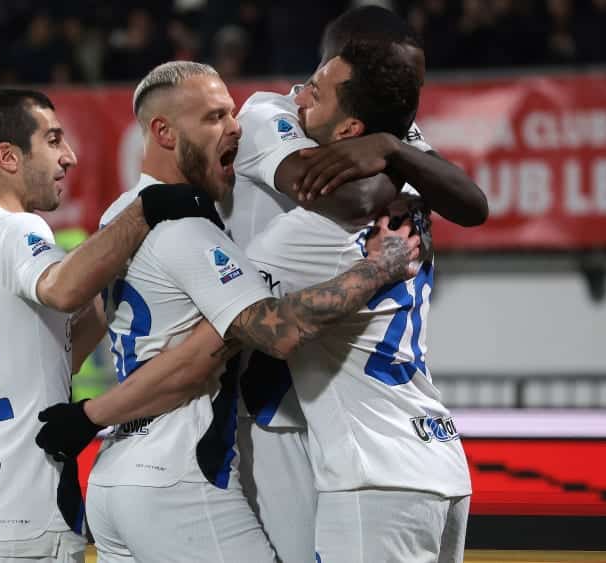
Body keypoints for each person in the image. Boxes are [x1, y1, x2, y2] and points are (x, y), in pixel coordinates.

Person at [38, 61, 421, 563]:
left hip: (116, 476)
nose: (236, 128)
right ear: (164, 132)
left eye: (233, 114)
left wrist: (88, 416)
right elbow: (278, 331)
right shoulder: (188, 231)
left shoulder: (121, 216)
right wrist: (379, 268)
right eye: (215, 117)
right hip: (179, 480)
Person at [0, 88, 228, 563]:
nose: (69, 156)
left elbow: (49, 354)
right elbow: (62, 289)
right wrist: (145, 211)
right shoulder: (15, 229)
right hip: (18, 517)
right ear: (8, 157)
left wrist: (119, 281)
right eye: (53, 140)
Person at [226, 7, 488, 562]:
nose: (412, 91)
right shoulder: (271, 113)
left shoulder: (306, 233)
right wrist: (395, 155)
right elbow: (354, 197)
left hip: (360, 447)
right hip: (407, 442)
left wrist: (389, 149)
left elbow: (470, 204)